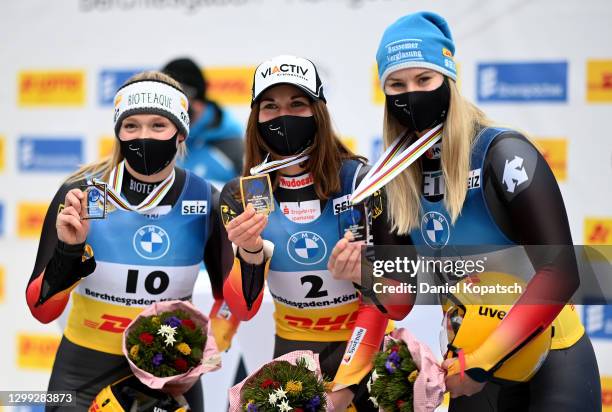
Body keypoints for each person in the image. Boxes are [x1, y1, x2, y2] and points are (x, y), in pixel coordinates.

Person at [331, 11, 601, 412]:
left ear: (448, 79)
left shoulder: (502, 153)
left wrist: (480, 364)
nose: (412, 94)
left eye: (424, 80)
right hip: (467, 368)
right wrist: (365, 277)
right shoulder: (391, 178)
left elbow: (560, 273)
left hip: (550, 361)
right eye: (397, 84)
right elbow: (400, 298)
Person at [25, 71, 239, 411]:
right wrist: (69, 250)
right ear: (119, 133)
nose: (144, 136)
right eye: (131, 126)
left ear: (180, 132)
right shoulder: (83, 193)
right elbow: (41, 310)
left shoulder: (203, 198)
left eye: (158, 125)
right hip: (82, 374)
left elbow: (234, 303)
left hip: (170, 375)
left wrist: (208, 348)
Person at [220, 55, 413, 411]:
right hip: (290, 360)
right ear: (255, 118)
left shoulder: (359, 182)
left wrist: (364, 273)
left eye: (297, 104)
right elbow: (240, 309)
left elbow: (399, 303)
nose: (283, 116)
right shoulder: (243, 193)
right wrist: (248, 253)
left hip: (364, 358)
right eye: (270, 106)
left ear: (318, 111)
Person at [162, 57, 244, 184]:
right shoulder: (160, 143)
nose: (168, 110)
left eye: (177, 101)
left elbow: (257, 199)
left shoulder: (233, 147)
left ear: (198, 102)